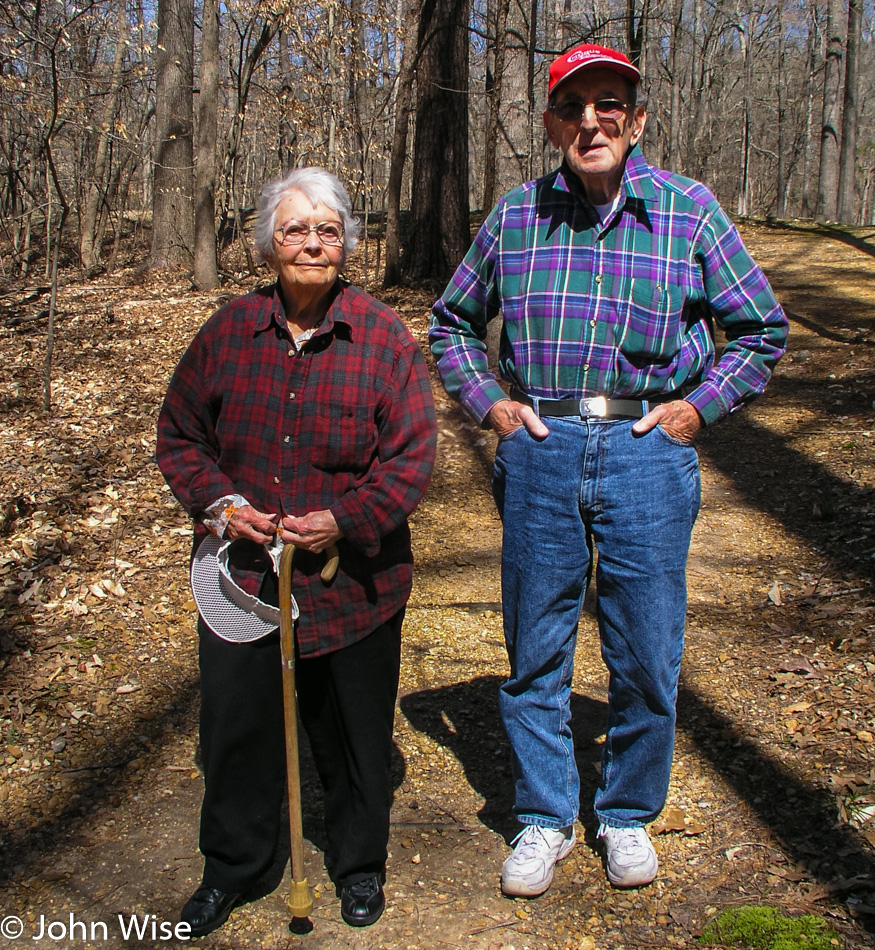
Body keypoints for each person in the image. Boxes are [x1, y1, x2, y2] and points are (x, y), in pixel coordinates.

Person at [430, 43, 788, 896]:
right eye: (572, 107)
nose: (590, 121)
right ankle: (545, 815)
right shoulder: (517, 216)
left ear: (635, 117)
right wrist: (491, 406)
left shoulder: (687, 211)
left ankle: (625, 812)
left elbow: (761, 329)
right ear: (552, 122)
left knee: (645, 651)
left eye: (607, 103)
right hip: (543, 451)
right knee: (535, 647)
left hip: (645, 457)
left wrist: (698, 407)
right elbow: (449, 323)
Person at [157, 166, 436, 936]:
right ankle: (235, 867)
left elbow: (410, 459)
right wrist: (221, 504)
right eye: (294, 230)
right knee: (238, 730)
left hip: (353, 583)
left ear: (345, 243)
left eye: (326, 230)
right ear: (267, 245)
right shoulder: (226, 331)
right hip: (243, 580)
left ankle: (356, 866)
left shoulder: (383, 337)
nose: (311, 243)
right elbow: (180, 436)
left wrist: (345, 518)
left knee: (352, 733)